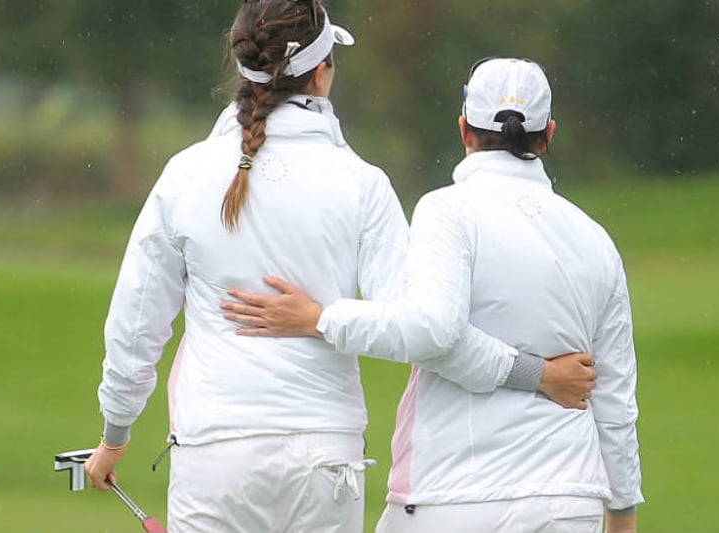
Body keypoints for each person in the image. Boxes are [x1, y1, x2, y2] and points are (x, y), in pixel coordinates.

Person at [82, 3, 598, 530]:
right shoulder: (361, 183)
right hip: (326, 456)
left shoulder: (185, 175)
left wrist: (114, 437)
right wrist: (536, 374)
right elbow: (428, 333)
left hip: (215, 451)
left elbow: (136, 324)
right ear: (322, 71)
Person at [222, 58, 643, 532]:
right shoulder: (595, 239)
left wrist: (319, 318)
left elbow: (433, 334)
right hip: (569, 500)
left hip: (452, 494)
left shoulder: (447, 211)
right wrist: (623, 513)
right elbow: (615, 398)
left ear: (464, 128)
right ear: (547, 135)